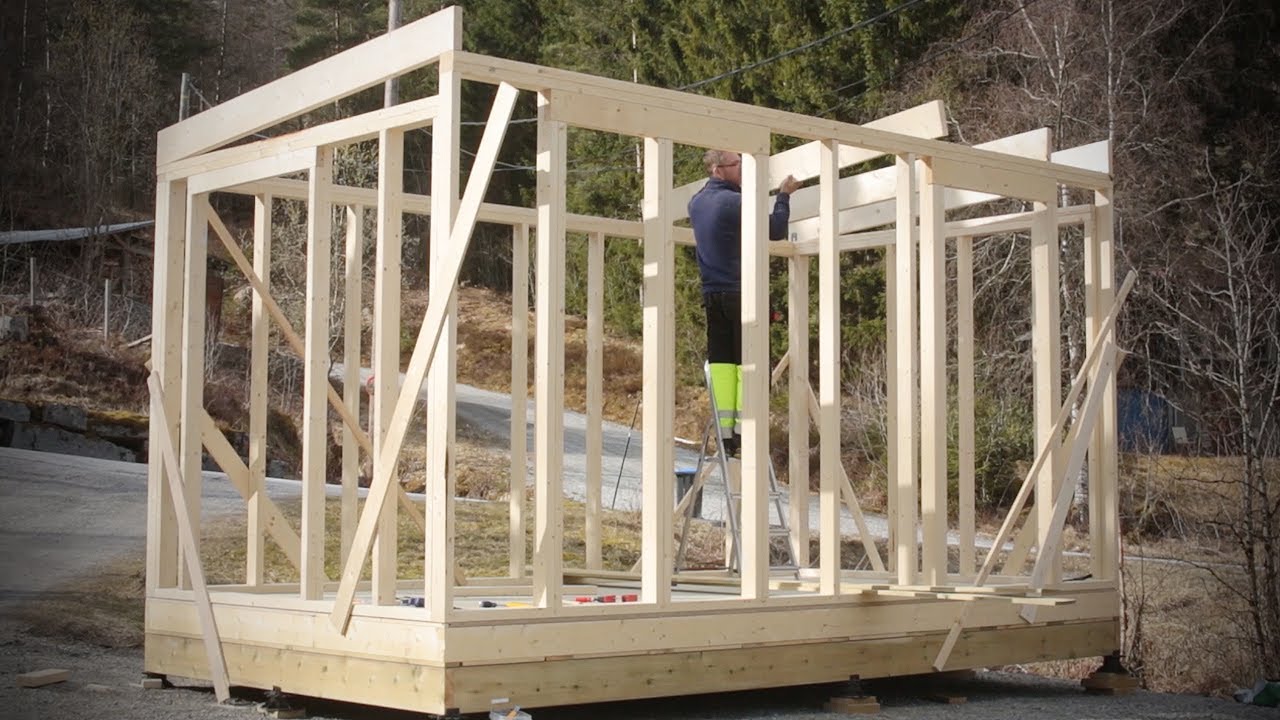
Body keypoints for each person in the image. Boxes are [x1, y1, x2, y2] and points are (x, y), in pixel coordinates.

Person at [688, 149, 800, 456]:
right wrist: (784, 195)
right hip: (741, 295)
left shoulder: (696, 202)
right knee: (750, 364)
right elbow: (776, 230)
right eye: (737, 164)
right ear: (717, 169)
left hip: (713, 296)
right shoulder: (734, 202)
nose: (743, 168)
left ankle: (726, 436)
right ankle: (745, 431)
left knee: (724, 364)